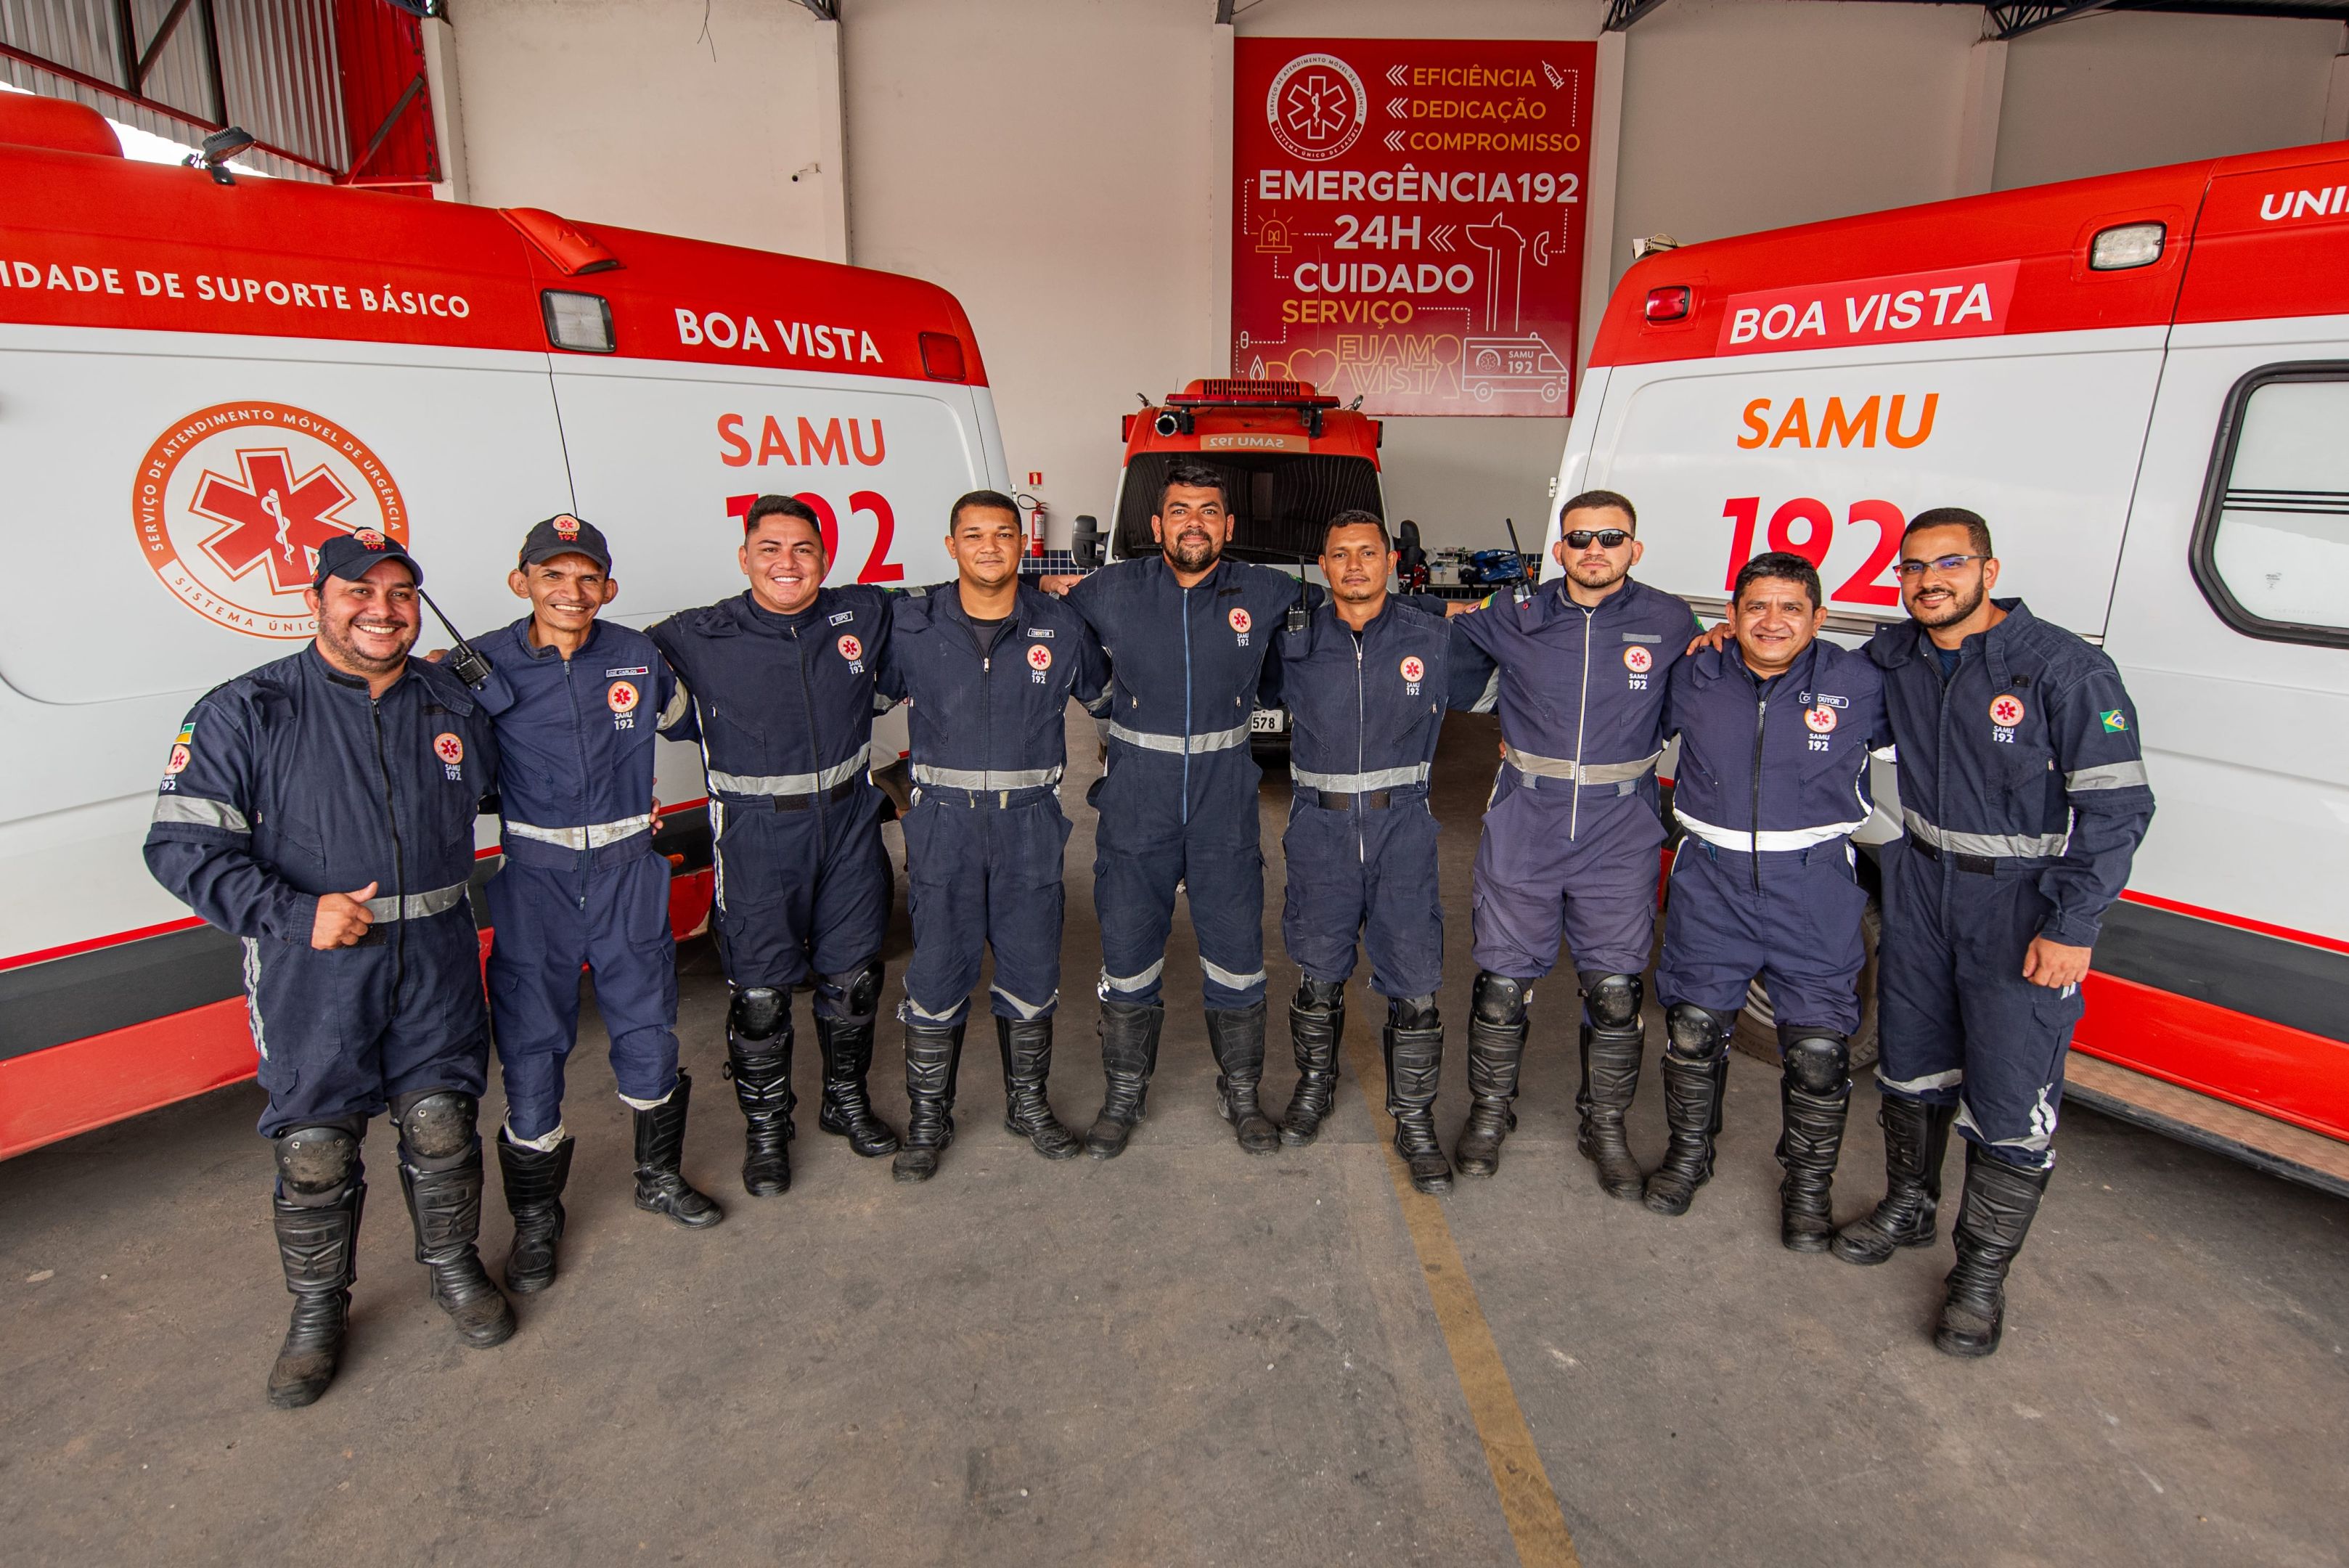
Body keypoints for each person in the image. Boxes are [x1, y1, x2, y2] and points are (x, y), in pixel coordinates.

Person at [144, 532, 514, 1410]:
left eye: (399, 594)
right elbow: (180, 847)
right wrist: (295, 913)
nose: (381, 610)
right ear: (318, 600)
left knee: (439, 1122)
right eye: (359, 592)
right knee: (314, 1148)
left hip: (435, 951)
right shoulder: (248, 709)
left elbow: (517, 793)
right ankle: (317, 1311)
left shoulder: (451, 703)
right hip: (312, 966)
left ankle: (455, 1267)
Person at [1831, 507, 2153, 1356]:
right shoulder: (1894, 655)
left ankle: (1978, 1274)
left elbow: (2118, 808)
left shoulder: (2062, 668)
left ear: (1985, 567)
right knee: (1907, 1064)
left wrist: (2073, 923)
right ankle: (1908, 1205)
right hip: (1921, 884)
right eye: (1911, 569)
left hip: (2021, 904)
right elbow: (1815, 697)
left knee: (2010, 1097)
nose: (1926, 581)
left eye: (1946, 564)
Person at [471, 515, 722, 1296]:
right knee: (532, 1043)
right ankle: (537, 1223)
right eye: (552, 575)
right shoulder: (477, 667)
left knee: (648, 1026)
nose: (570, 591)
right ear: (522, 582)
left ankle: (657, 1176)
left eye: (587, 578)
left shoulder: (637, 655)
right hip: (535, 879)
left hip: (625, 872)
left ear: (608, 588)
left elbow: (697, 723)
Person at [1047, 462, 1306, 1159]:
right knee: (1128, 953)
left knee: (1238, 955)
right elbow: (1059, 645)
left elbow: (1326, 634)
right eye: (1181, 510)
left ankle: (1243, 1094)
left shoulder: (1271, 590)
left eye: (1210, 510)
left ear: (1228, 524)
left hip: (1224, 805)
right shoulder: (1108, 591)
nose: (1196, 522)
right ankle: (1123, 1096)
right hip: (1138, 805)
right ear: (1157, 526)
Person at [1443, 491, 1699, 1183]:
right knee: (1501, 984)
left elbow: (1714, 688)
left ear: (1634, 550)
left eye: (1611, 538)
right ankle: (1491, 1112)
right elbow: (1427, 635)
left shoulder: (1672, 620)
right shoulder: (1518, 614)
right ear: (1558, 550)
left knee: (1616, 990)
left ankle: (1605, 1127)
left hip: (1621, 826)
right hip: (1528, 818)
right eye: (1579, 539)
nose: (1594, 550)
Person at [649, 495, 900, 1198]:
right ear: (743, 557)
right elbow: (591, 677)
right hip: (757, 834)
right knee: (759, 997)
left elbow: (957, 604)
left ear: (824, 558)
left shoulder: (862, 613)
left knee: (853, 980)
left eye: (803, 550)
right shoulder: (692, 635)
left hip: (849, 821)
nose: (787, 563)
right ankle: (767, 1129)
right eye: (770, 548)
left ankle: (842, 1102)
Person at [1648, 552, 1888, 1244]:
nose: (1772, 621)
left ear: (1820, 616)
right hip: (1712, 880)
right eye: (1756, 607)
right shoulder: (1694, 671)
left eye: (1790, 608)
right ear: (1732, 615)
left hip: (1810, 886)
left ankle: (1807, 1190)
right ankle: (1689, 1157)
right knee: (1694, 1031)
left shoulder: (1861, 682)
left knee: (1818, 1053)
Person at [873, 491, 1110, 1182]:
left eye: (1003, 534)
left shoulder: (1060, 627)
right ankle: (928, 1119)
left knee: (1033, 969)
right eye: (973, 535)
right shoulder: (912, 624)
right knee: (937, 972)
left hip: (1030, 823)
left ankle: (1028, 1107)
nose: (989, 546)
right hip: (943, 824)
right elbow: (854, 698)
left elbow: (1108, 706)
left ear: (1021, 545)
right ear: (951, 546)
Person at [1260, 511, 1490, 1194]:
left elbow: (1522, 684)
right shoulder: (1293, 641)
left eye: (1368, 553)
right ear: (1323, 566)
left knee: (1416, 981)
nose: (1354, 565)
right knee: (1317, 971)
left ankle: (1413, 1117)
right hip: (1319, 830)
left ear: (1392, 562)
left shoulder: (1433, 637)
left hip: (1403, 831)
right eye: (1340, 555)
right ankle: (1313, 1086)